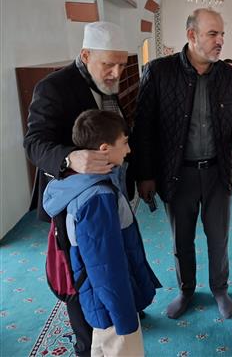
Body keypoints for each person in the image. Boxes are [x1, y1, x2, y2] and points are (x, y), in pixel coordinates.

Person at [133, 8, 232, 320]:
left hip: (218, 173)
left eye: (222, 34)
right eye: (213, 34)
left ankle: (220, 289)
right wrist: (145, 174)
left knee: (219, 239)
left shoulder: (230, 76)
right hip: (177, 174)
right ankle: (186, 290)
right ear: (192, 35)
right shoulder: (159, 72)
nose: (220, 40)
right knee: (182, 240)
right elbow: (143, 129)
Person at [23, 21, 131, 357]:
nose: (116, 72)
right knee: (80, 276)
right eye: (108, 64)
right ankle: (86, 344)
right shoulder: (53, 87)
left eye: (122, 64)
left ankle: (118, 314)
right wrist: (70, 157)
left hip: (109, 192)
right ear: (85, 55)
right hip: (74, 204)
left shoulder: (109, 83)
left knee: (112, 262)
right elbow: (33, 143)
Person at [43, 110, 159, 357]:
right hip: (112, 303)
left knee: (102, 347)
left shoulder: (79, 182)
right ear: (105, 149)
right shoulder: (98, 198)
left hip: (102, 299)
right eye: (124, 142)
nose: (129, 150)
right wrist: (124, 315)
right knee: (122, 349)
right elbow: (105, 266)